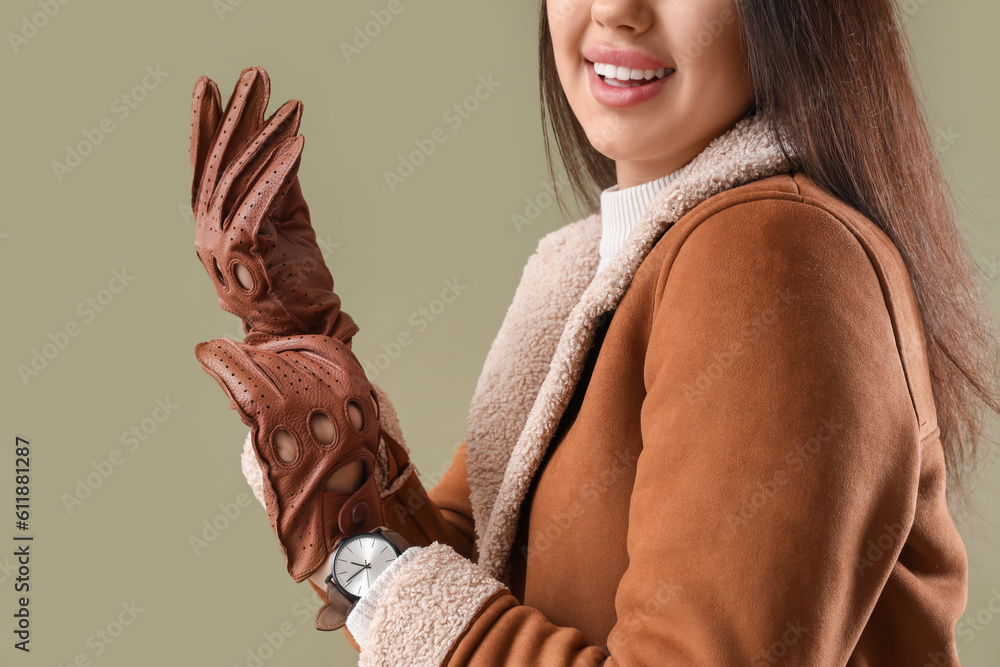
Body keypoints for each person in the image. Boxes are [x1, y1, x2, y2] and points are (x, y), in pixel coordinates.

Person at [188, 0, 1000, 664]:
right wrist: (306, 357)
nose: (616, 10)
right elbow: (465, 589)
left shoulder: (769, 253)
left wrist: (379, 572)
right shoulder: (607, 278)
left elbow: (430, 611)